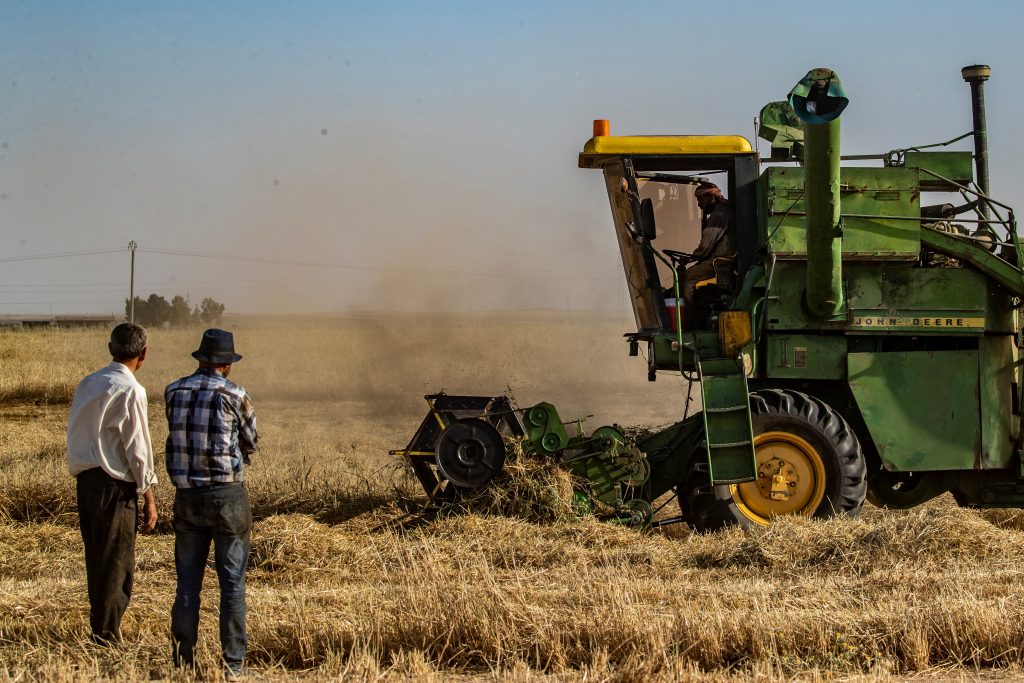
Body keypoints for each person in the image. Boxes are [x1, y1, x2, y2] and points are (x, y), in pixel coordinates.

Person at [165, 328, 257, 675]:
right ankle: (234, 664)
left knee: (187, 584)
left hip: (186, 497)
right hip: (226, 496)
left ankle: (182, 663)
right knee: (231, 583)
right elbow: (250, 440)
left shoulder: (173, 390)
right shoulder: (235, 394)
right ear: (227, 364)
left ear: (201, 358)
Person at [66, 322, 158, 645]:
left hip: (86, 482)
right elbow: (138, 448)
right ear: (143, 354)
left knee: (96, 556)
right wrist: (148, 494)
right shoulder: (132, 390)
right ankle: (106, 635)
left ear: (110, 349)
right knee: (117, 561)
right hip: (113, 486)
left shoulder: (87, 383)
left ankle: (101, 626)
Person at [681, 182, 735, 309]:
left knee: (687, 276)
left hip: (720, 263)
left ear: (711, 197)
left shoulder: (719, 214)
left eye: (700, 200)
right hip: (725, 261)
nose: (699, 205)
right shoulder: (728, 209)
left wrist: (690, 257)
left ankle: (688, 320)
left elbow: (705, 247)